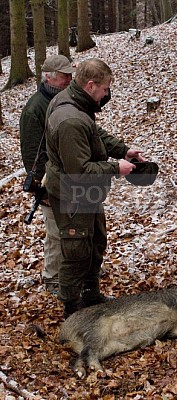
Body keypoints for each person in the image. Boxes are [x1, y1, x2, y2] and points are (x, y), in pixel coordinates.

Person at [45, 58, 144, 318]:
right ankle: (72, 308)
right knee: (76, 250)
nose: (107, 94)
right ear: (90, 85)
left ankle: (91, 295)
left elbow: (94, 134)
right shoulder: (70, 119)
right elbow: (79, 171)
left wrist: (123, 150)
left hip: (86, 193)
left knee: (96, 242)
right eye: (105, 89)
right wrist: (116, 168)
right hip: (72, 193)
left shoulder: (77, 104)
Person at [20, 54, 75, 294]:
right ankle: (52, 277)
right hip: (50, 181)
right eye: (65, 76)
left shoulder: (66, 100)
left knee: (75, 226)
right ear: (50, 77)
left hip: (71, 176)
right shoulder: (34, 109)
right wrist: (43, 189)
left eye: (70, 75)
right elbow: (32, 154)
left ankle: (75, 268)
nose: (69, 79)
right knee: (55, 232)